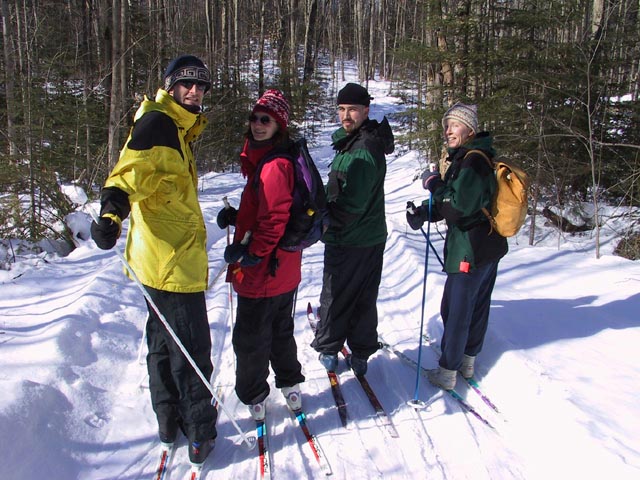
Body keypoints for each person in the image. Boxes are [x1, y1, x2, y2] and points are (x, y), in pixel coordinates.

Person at [90, 55, 218, 465]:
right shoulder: (160, 124)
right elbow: (128, 174)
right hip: (171, 263)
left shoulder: (176, 126)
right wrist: (110, 212)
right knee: (191, 350)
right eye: (186, 84)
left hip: (157, 260)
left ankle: (168, 422)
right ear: (170, 86)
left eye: (200, 85)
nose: (194, 91)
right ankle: (199, 433)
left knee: (163, 345)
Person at [216, 89, 305, 422]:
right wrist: (238, 217)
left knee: (251, 338)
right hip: (282, 269)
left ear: (279, 124)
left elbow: (273, 220)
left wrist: (250, 254)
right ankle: (291, 383)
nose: (257, 124)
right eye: (254, 118)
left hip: (265, 271)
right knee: (280, 329)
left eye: (265, 119)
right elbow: (264, 211)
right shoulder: (270, 161)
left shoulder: (274, 166)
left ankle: (255, 394)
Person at [406, 102, 508, 390]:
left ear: (470, 129)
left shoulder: (473, 161)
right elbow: (455, 201)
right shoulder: (469, 158)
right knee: (475, 306)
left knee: (457, 309)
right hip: (486, 245)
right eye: (446, 125)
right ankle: (466, 362)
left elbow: (458, 207)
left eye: (455, 125)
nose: (448, 130)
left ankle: (448, 371)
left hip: (470, 248)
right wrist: (424, 213)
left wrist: (433, 184)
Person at [311, 83, 394, 376]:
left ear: (366, 111)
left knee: (338, 295)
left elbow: (350, 204)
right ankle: (359, 351)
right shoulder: (356, 141)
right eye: (342, 109)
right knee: (362, 296)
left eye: (353, 110)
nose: (346, 115)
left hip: (351, 238)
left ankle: (331, 349)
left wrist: (321, 220)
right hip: (368, 236)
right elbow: (341, 188)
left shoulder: (363, 149)